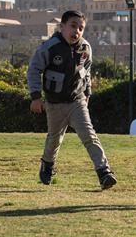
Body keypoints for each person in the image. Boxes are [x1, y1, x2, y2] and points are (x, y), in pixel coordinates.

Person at [27, 10, 117, 190]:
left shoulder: (85, 48)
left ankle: (104, 173)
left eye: (81, 28)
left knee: (89, 135)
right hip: (54, 103)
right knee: (54, 139)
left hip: (77, 101)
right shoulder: (49, 47)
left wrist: (88, 94)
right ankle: (47, 165)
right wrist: (36, 97)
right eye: (73, 26)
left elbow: (87, 73)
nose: (77, 31)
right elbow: (34, 70)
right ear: (62, 27)